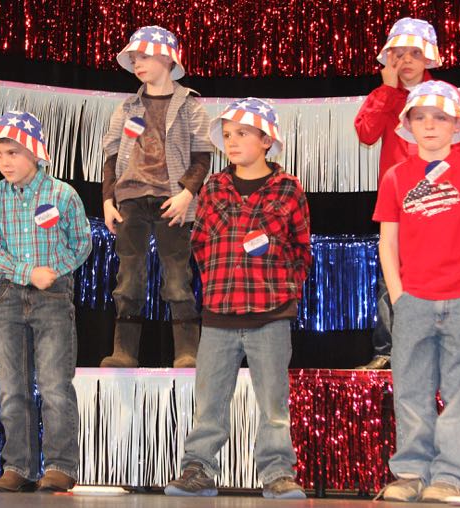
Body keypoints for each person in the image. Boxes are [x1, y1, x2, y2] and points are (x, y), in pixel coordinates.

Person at [165, 98, 310, 499]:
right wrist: (217, 282)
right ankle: (198, 468)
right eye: (227, 135)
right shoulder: (213, 186)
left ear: (266, 141)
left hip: (271, 315)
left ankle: (278, 473)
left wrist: (284, 290)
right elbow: (200, 242)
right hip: (219, 314)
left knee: (274, 405)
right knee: (209, 402)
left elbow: (301, 248)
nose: (232, 141)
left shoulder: (288, 188)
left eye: (242, 133)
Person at [373, 81, 460, 502]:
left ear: (456, 125)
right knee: (411, 390)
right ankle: (411, 473)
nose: (429, 125)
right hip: (413, 301)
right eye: (420, 117)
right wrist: (399, 296)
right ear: (409, 124)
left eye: (440, 117)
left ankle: (451, 476)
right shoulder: (396, 177)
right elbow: (387, 242)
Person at [0, 111, 91, 493]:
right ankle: (19, 466)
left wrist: (53, 271)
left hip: (53, 297)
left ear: (36, 153)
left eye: (12, 153)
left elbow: (81, 243)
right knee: (12, 387)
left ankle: (59, 465)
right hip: (9, 297)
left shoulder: (62, 194)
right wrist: (27, 272)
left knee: (55, 384)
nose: (4, 161)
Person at [354, 17, 460, 370]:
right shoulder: (383, 95)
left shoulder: (444, 94)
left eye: (415, 53)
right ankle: (388, 351)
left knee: (446, 274)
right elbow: (366, 133)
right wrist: (387, 90)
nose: (406, 60)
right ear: (387, 58)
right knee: (390, 275)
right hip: (397, 204)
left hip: (441, 201)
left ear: (428, 58)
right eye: (399, 54)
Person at [99, 25, 211, 368]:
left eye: (144, 57)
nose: (137, 64)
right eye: (134, 58)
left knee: (177, 278)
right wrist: (108, 200)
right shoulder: (127, 107)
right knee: (128, 278)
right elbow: (111, 156)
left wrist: (186, 194)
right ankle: (124, 352)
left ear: (167, 59)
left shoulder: (190, 106)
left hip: (171, 200)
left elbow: (202, 157)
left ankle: (188, 351)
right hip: (131, 198)